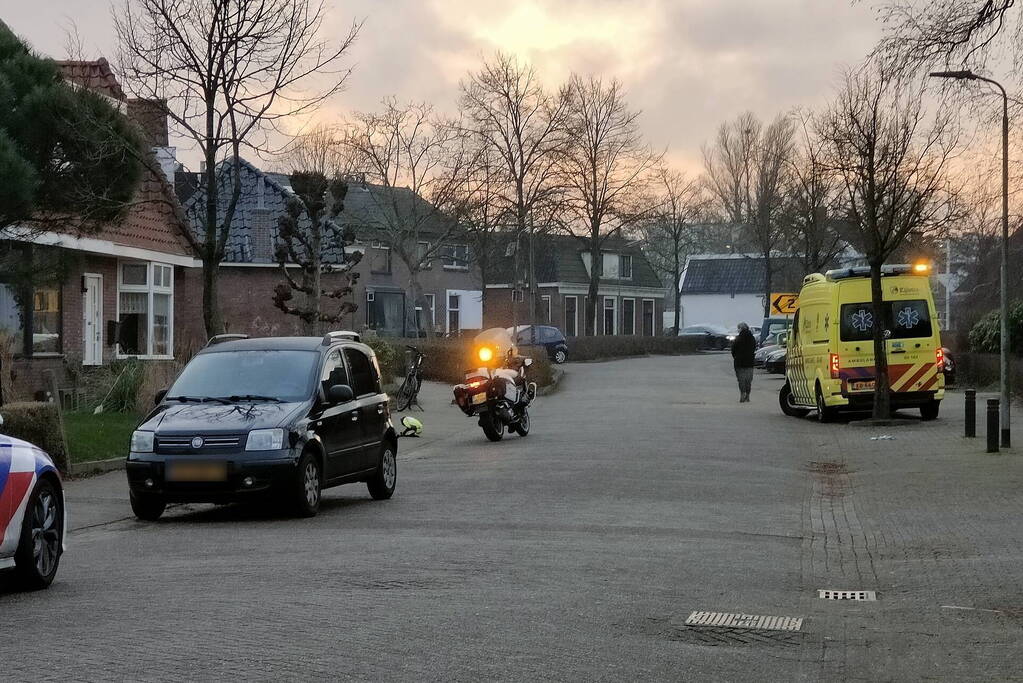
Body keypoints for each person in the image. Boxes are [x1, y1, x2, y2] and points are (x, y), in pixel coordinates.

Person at [731, 322, 756, 403]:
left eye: (738, 328)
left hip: (739, 363)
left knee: (741, 380)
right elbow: (754, 348)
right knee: (748, 380)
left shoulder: (738, 338)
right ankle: (748, 395)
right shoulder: (752, 338)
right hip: (749, 362)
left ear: (740, 329)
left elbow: (733, 350)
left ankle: (743, 393)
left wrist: (736, 357)